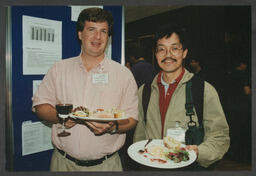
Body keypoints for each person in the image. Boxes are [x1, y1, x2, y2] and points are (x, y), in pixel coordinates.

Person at [32, 7, 138, 172]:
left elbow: (132, 118)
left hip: (107, 166)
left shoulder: (123, 74)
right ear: (80, 34)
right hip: (63, 164)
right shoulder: (59, 69)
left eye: (103, 31)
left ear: (108, 37)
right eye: (91, 30)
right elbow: (40, 106)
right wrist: (61, 118)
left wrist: (113, 127)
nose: (98, 37)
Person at [133, 25, 230, 170]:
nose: (168, 55)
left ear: (184, 53)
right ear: (155, 54)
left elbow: (219, 137)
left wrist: (198, 152)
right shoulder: (145, 91)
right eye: (161, 49)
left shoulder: (203, 90)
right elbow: (139, 135)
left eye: (175, 48)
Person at [224, 57, 251, 164]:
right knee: (242, 131)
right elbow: (247, 91)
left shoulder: (229, 74)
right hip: (241, 107)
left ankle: (231, 153)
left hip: (230, 106)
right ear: (242, 64)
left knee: (232, 131)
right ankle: (240, 156)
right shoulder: (243, 75)